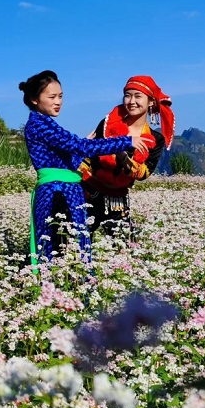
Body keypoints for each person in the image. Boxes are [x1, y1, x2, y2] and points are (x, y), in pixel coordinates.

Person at [19, 70, 149, 266]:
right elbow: (82, 147)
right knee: (57, 248)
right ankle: (54, 292)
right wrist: (126, 141)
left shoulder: (44, 124)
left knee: (63, 247)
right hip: (57, 191)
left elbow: (71, 151)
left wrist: (82, 146)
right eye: (52, 97)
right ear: (34, 99)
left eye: (60, 96)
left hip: (64, 189)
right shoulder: (40, 125)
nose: (58, 102)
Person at [80, 75, 174, 239]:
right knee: (75, 242)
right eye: (128, 95)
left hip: (118, 198)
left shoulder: (155, 139)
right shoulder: (108, 124)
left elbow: (144, 173)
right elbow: (89, 156)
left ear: (151, 102)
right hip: (89, 191)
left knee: (123, 246)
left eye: (138, 96)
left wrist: (123, 157)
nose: (131, 101)